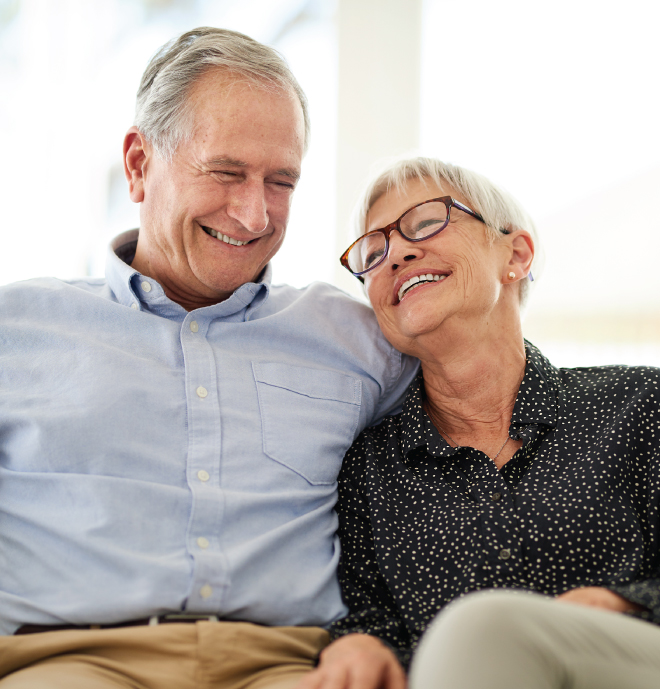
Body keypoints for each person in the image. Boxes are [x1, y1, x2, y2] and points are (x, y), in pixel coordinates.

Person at [0, 28, 417, 688]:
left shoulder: (358, 339)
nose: (254, 214)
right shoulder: (16, 330)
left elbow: (481, 418)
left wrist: (375, 634)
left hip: (288, 665)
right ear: (139, 164)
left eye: (281, 180)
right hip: (68, 662)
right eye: (225, 171)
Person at [302, 157, 660, 689]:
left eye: (426, 223)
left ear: (516, 254)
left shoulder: (640, 404)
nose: (396, 252)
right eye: (372, 253)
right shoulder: (368, 469)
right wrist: (357, 644)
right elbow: (368, 622)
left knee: (485, 626)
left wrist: (625, 600)